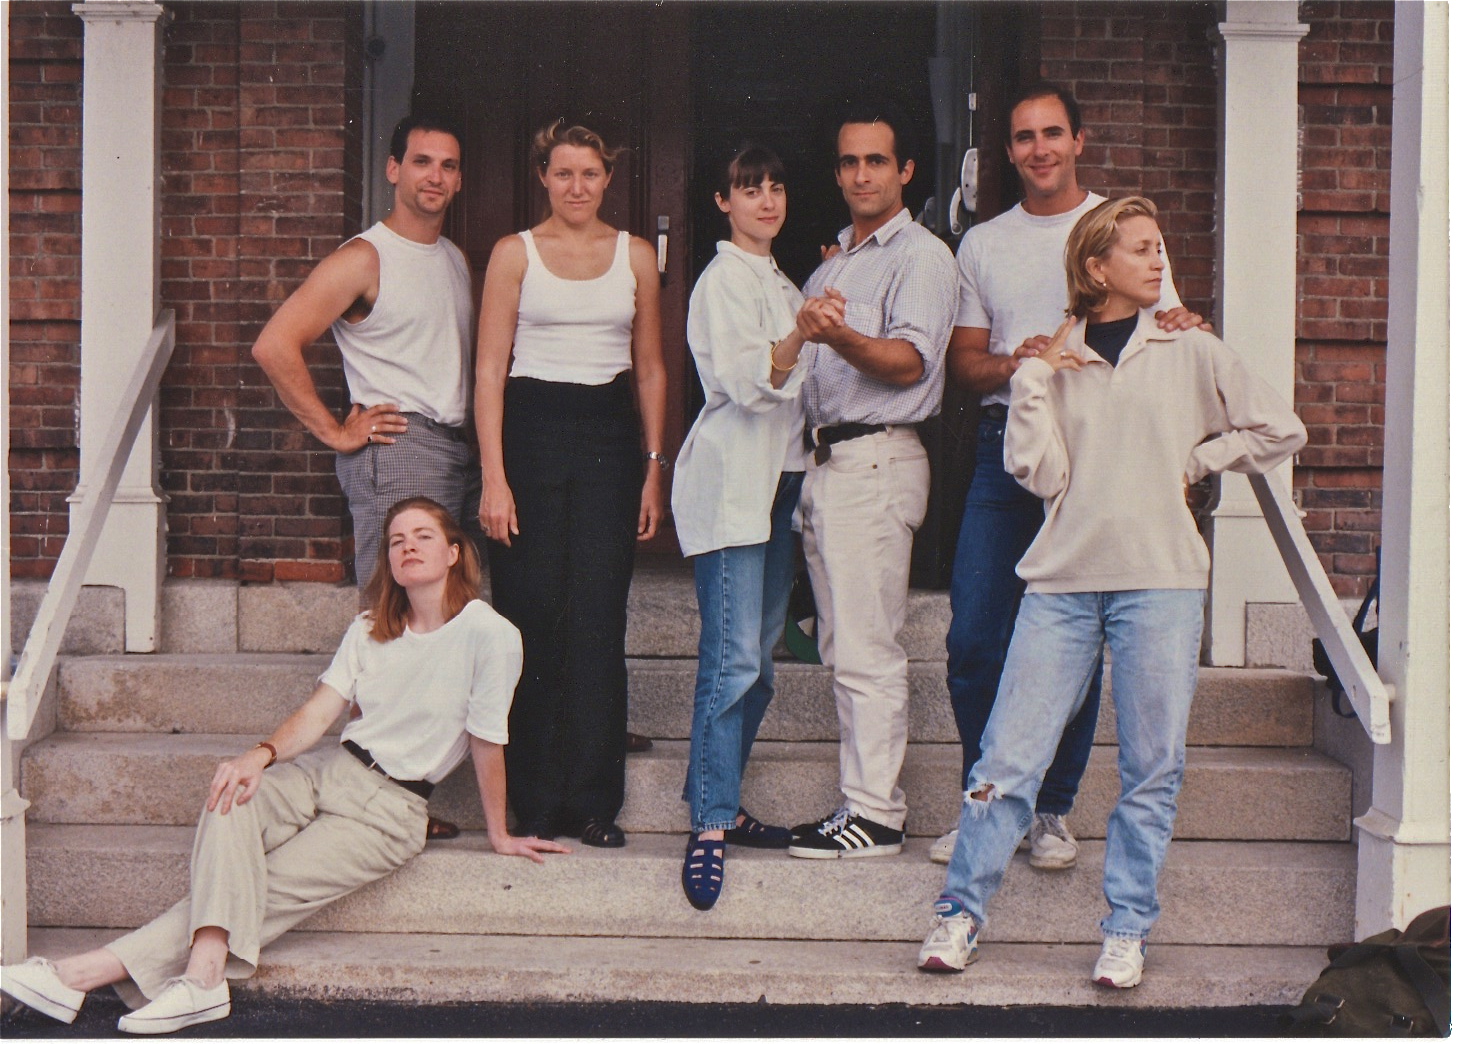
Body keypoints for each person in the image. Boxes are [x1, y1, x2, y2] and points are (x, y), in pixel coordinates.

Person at [916, 197, 1306, 987]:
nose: (1157, 261)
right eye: (1140, 249)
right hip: (1061, 583)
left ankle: (1125, 929)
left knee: (1151, 765)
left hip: (1160, 582)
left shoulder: (1190, 349)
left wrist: (1199, 459)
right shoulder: (1053, 359)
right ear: (1097, 267)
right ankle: (958, 914)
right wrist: (1030, 380)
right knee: (1007, 757)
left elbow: (1280, 428)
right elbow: (1041, 475)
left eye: (1158, 247)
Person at [0, 497, 568, 1034]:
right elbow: (320, 711)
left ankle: (82, 975)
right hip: (331, 770)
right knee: (231, 792)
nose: (408, 547)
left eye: (424, 536)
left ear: (453, 552)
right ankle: (202, 979)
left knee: (255, 885)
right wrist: (257, 756)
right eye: (396, 540)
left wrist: (499, 832)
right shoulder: (371, 627)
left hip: (390, 811)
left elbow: (487, 741)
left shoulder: (490, 635)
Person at [934, 82, 1205, 870]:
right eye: (1023, 137)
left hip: (1100, 460)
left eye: (1052, 133)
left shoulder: (1121, 230)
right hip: (1006, 450)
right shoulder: (983, 242)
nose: (1038, 149)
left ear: (1079, 140)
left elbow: (1166, 333)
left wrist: (1185, 329)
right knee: (975, 636)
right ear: (1007, 151)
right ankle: (987, 803)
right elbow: (964, 363)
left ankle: (1049, 809)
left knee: (1079, 641)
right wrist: (1010, 363)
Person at [250, 112, 473, 844]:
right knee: (393, 627)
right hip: (396, 451)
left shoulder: (452, 258)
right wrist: (337, 430)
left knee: (438, 625)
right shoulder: (364, 258)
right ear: (392, 169)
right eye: (420, 162)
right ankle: (366, 798)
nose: (433, 177)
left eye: (446, 165)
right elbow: (275, 343)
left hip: (451, 448)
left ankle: (395, 792)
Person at [475, 121, 668, 849]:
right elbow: (490, 370)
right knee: (529, 613)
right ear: (543, 177)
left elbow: (649, 368)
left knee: (595, 615)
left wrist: (652, 467)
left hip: (608, 436)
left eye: (589, 174)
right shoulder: (513, 255)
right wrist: (494, 477)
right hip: (529, 429)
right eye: (563, 174)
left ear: (607, 177)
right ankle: (535, 800)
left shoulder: (636, 256)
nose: (577, 187)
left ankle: (592, 802)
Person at [785, 102, 957, 859]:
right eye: (849, 162)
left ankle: (876, 815)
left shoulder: (919, 256)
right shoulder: (832, 265)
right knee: (842, 647)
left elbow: (910, 362)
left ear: (905, 171)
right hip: (830, 465)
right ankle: (860, 805)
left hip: (878, 459)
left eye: (876, 161)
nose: (861, 174)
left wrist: (839, 334)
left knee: (867, 650)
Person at [672, 145, 808, 909]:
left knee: (756, 657)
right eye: (748, 188)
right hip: (732, 486)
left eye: (775, 185)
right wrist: (801, 335)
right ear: (722, 201)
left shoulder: (779, 279)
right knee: (730, 661)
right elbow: (745, 384)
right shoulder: (723, 280)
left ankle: (713, 791)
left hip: (780, 482)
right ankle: (710, 823)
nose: (765, 198)